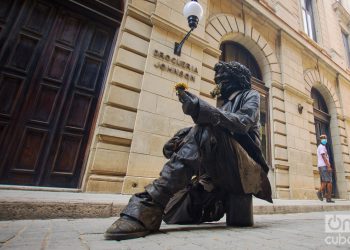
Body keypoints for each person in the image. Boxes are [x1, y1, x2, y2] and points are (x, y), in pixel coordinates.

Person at [104, 61, 272, 241]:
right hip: (219, 171)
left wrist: (204, 110)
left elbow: (243, 122)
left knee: (205, 130)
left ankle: (148, 203)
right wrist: (179, 139)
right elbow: (212, 126)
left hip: (247, 169)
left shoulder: (251, 95)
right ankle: (194, 200)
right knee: (172, 213)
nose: (217, 85)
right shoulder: (224, 106)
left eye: (222, 80)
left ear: (236, 80)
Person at [316, 134, 334, 203]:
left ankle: (328, 198)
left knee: (327, 181)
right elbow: (323, 157)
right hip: (324, 166)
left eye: (325, 138)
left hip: (324, 166)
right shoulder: (321, 147)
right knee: (327, 181)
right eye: (323, 138)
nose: (325, 139)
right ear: (321, 140)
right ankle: (320, 192)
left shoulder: (323, 147)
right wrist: (328, 166)